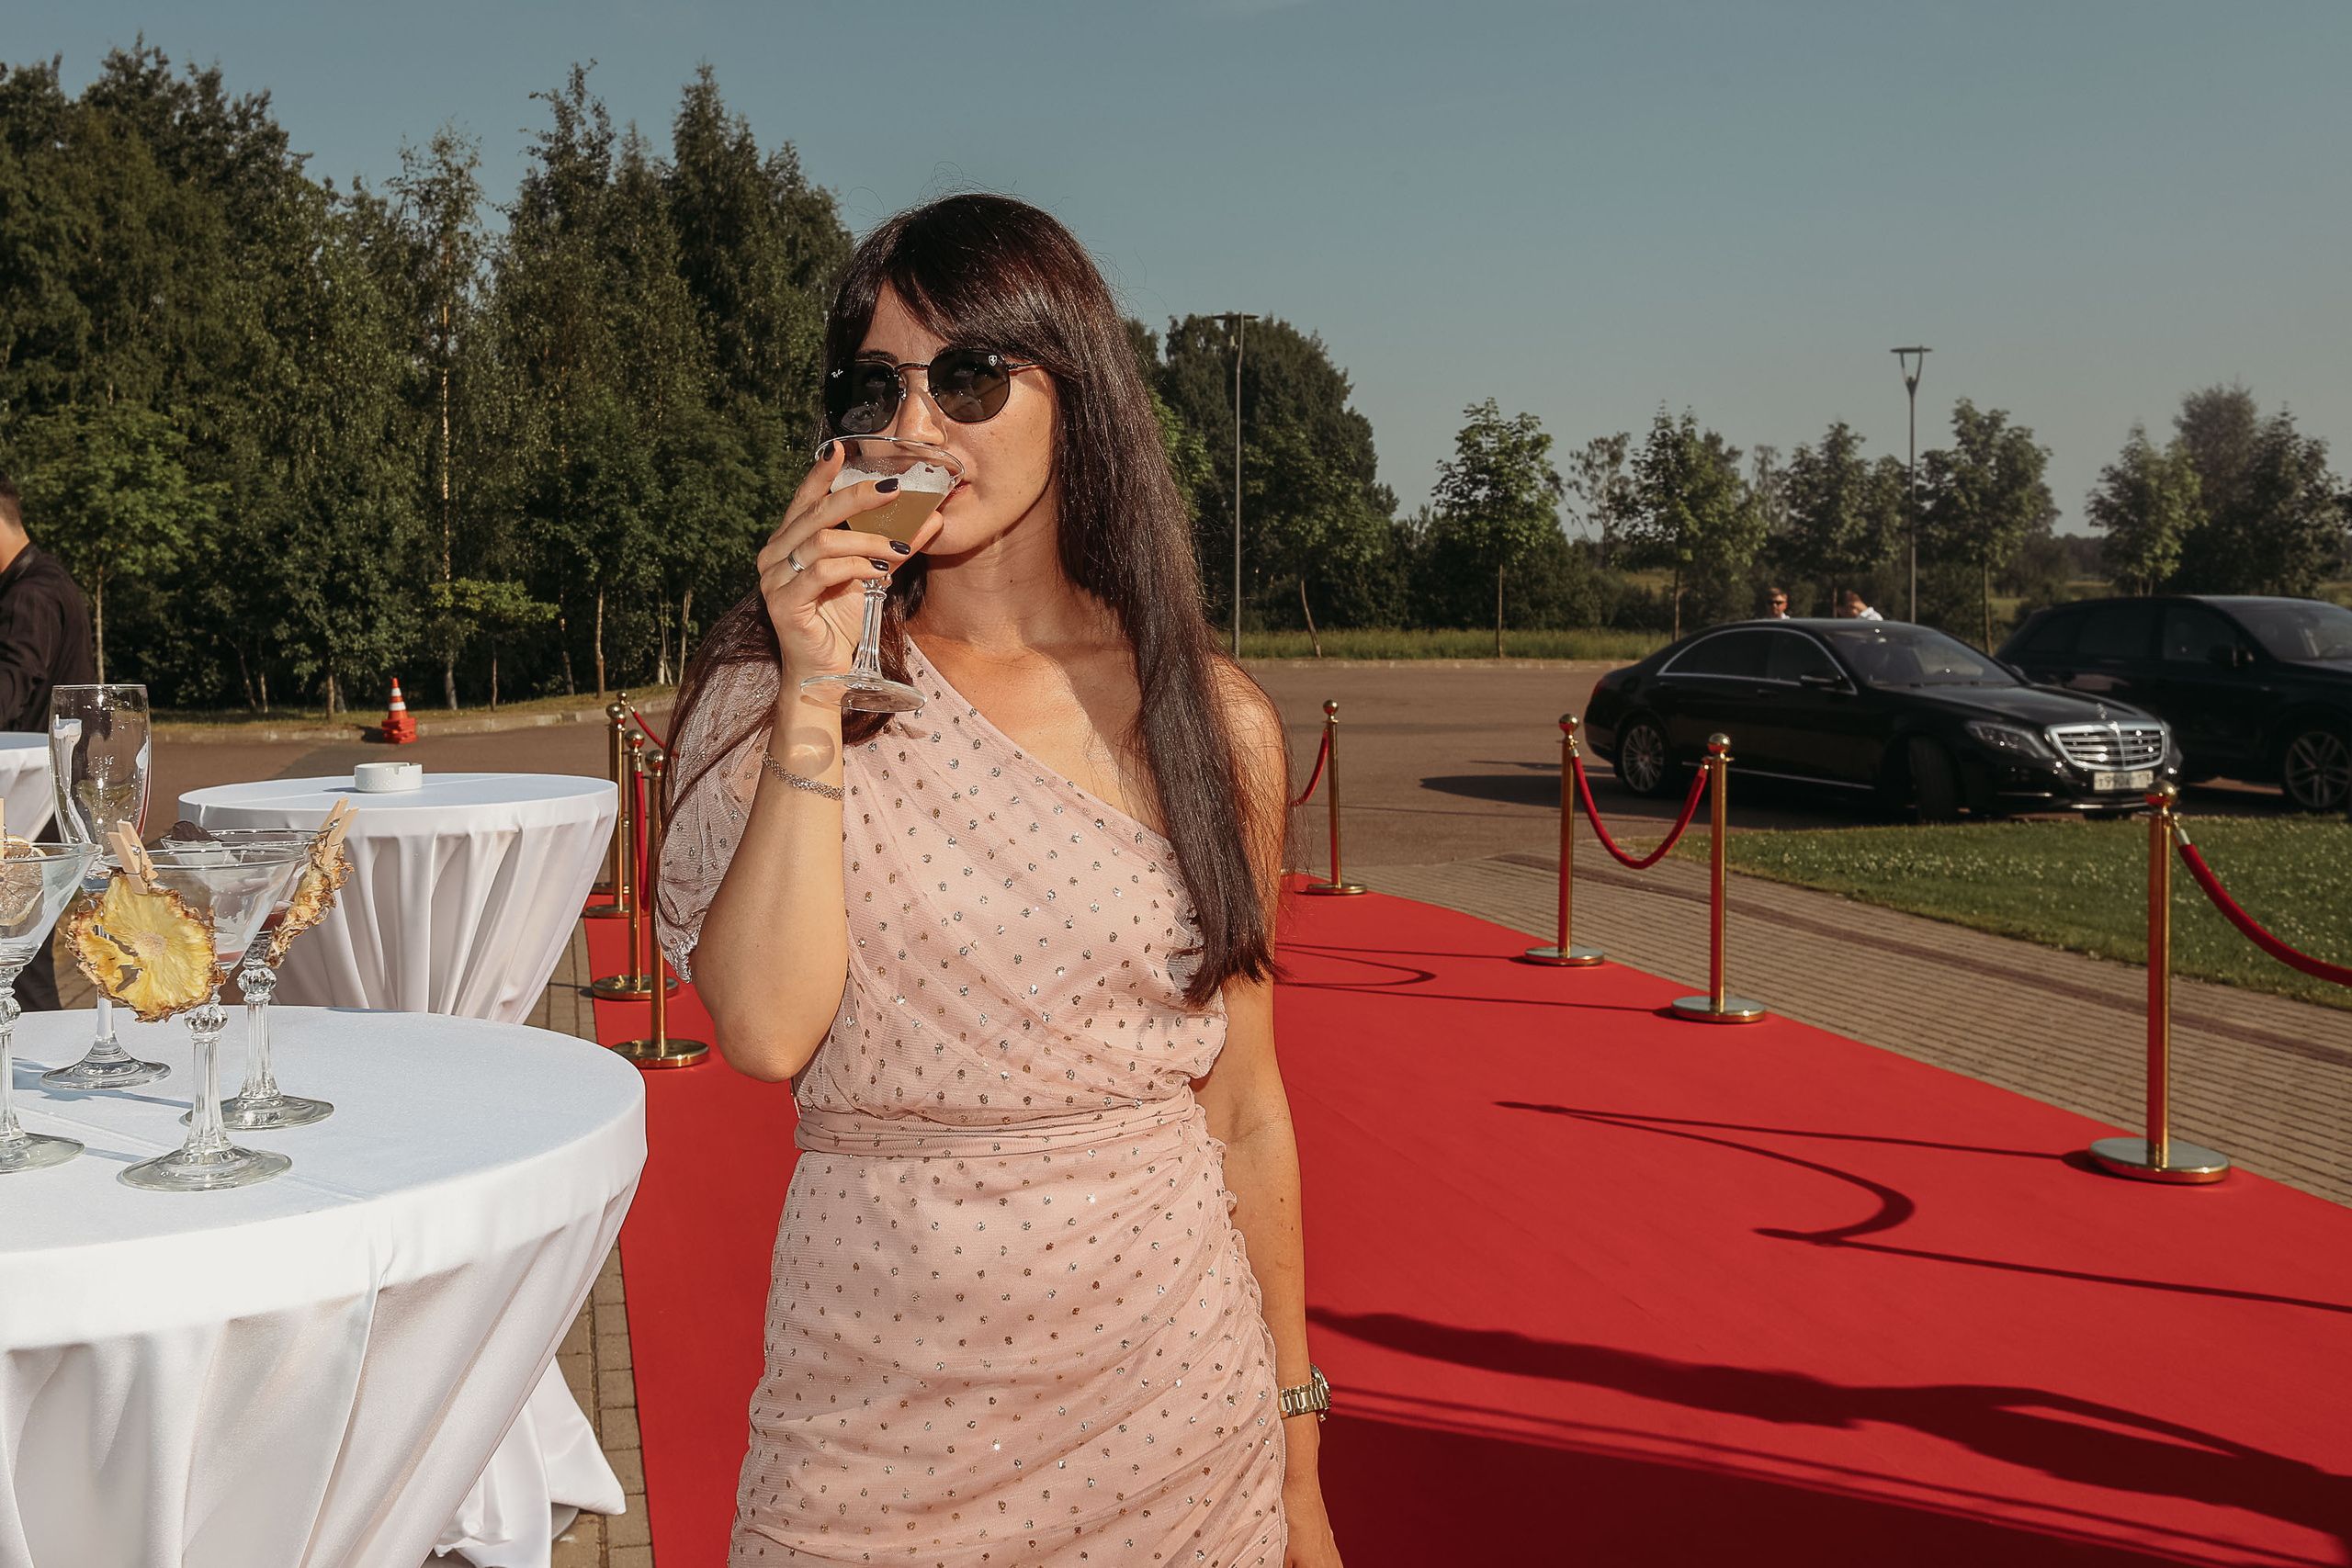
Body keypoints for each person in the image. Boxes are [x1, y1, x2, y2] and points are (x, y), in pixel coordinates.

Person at [656, 197, 1342, 1568]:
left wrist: (1299, 1452)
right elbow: (766, 1027)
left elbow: (1248, 1108)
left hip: (1175, 1409)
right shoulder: (771, 699)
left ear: (1072, 391)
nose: (916, 428)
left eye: (968, 377)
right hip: (874, 1411)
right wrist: (812, 689)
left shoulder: (1214, 721)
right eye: (876, 387)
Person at [0, 474, 96, 1010]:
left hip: (28, 809)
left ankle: (25, 1076)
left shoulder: (30, 595)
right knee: (23, 953)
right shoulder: (45, 581)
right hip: (48, 798)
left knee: (19, 958)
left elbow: (9, 687)